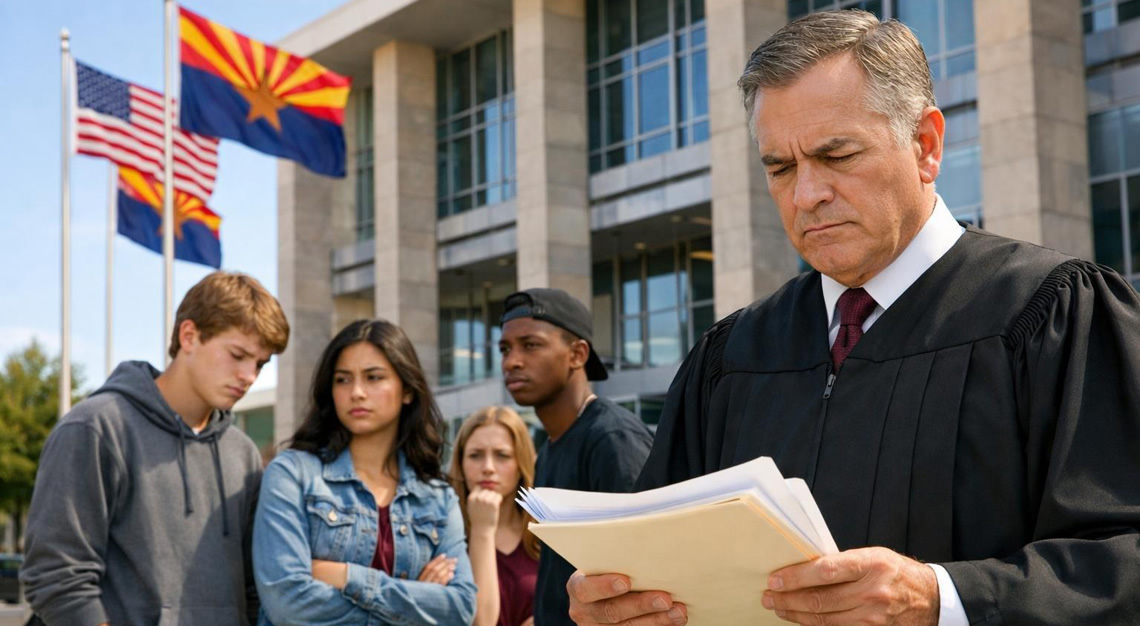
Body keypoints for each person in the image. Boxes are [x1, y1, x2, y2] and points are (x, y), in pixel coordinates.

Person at [566, 9, 1140, 626]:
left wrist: (942, 599)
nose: (805, 194)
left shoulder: (1051, 315)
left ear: (926, 145)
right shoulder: (732, 356)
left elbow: (1124, 562)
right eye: (780, 168)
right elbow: (658, 561)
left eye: (836, 154)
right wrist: (621, 601)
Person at [20, 271, 290, 625]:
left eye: (260, 363)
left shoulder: (242, 453)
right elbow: (57, 576)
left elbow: (253, 589)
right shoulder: (96, 428)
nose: (250, 376)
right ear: (189, 335)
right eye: (237, 355)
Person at [253, 319, 477, 625]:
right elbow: (288, 604)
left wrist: (347, 576)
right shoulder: (293, 475)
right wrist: (416, 602)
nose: (356, 392)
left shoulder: (437, 498)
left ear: (408, 390)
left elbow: (460, 609)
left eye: (374, 377)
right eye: (343, 380)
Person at [498, 288, 653, 626]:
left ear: (577, 354)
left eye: (531, 345)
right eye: (505, 349)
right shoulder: (551, 447)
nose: (512, 361)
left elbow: (646, 581)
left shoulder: (613, 440)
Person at [448, 406, 541, 626]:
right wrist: (482, 529)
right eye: (475, 455)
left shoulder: (547, 533)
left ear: (521, 463)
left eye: (502, 456)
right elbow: (481, 621)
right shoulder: (444, 535)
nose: (488, 467)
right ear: (460, 464)